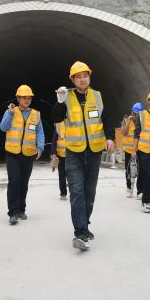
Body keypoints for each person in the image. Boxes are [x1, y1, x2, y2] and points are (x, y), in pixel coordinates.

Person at [51, 61, 115, 251]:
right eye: (78, 76)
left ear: (89, 77)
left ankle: (84, 224)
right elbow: (55, 118)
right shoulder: (66, 97)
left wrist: (110, 138)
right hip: (73, 152)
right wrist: (59, 102)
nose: (82, 79)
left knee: (90, 192)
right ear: (72, 79)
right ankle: (79, 232)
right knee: (77, 191)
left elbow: (107, 118)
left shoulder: (98, 96)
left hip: (94, 151)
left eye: (85, 75)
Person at [0, 85, 44, 225]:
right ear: (18, 98)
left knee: (24, 183)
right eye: (23, 97)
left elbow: (40, 133)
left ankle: (21, 209)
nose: (26, 100)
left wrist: (40, 147)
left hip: (28, 153)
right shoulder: (11, 111)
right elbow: (3, 127)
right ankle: (13, 212)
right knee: (14, 182)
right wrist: (10, 114)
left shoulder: (36, 114)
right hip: (12, 153)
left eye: (29, 97)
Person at [118, 102, 142, 198]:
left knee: (140, 171)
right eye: (134, 113)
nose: (135, 116)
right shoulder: (125, 120)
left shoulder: (142, 121)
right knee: (128, 171)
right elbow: (123, 132)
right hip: (128, 150)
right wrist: (129, 122)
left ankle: (140, 191)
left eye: (137, 114)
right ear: (132, 112)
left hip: (140, 149)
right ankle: (129, 188)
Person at [52, 120, 68, 200]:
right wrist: (53, 153)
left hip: (73, 154)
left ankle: (74, 193)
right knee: (62, 175)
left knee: (73, 175)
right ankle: (63, 193)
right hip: (61, 155)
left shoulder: (76, 121)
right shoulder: (58, 124)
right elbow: (54, 140)